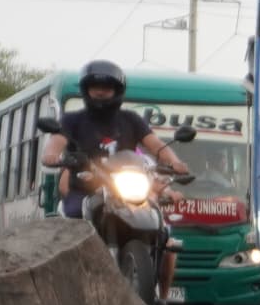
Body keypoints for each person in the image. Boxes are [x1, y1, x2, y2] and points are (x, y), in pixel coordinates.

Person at [35, 62, 184, 213]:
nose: (100, 92)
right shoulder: (72, 120)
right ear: (86, 90)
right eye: (95, 87)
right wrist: (51, 155)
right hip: (84, 191)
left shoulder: (131, 119)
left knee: (154, 216)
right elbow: (57, 141)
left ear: (116, 90)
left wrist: (174, 162)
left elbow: (156, 145)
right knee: (74, 214)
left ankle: (163, 238)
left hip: (127, 191)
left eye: (106, 88)